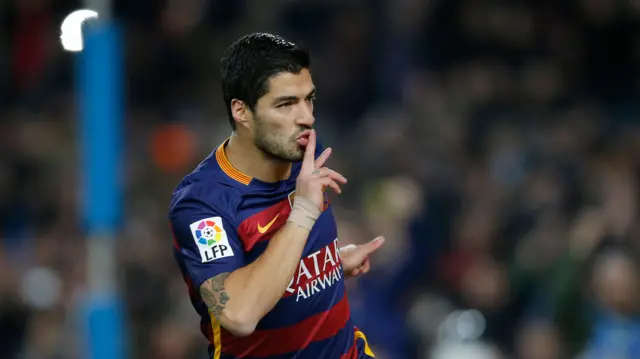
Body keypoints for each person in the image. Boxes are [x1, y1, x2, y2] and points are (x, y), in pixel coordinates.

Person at [168, 32, 385, 359]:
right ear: (241, 111)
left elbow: (281, 267)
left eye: (308, 99)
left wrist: (331, 262)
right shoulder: (201, 206)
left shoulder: (301, 156)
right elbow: (238, 313)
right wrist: (303, 213)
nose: (307, 118)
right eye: (286, 104)